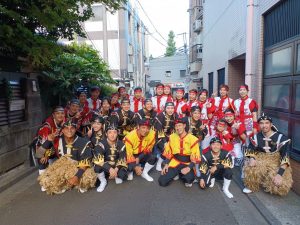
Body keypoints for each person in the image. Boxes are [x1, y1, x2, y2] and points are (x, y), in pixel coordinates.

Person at [38, 120, 95, 194]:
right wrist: (48, 141)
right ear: (63, 130)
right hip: (62, 166)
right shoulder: (57, 141)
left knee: (88, 178)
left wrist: (77, 176)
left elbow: (85, 162)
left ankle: (73, 183)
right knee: (46, 181)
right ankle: (65, 184)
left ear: (75, 129)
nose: (69, 130)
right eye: (66, 128)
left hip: (78, 167)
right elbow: (39, 154)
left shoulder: (83, 142)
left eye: (72, 128)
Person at [242, 113, 293, 196]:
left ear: (271, 124)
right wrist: (252, 158)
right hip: (261, 158)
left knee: (279, 186)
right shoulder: (256, 137)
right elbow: (250, 149)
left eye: (266, 123)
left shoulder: (282, 138)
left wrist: (279, 174)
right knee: (250, 168)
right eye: (261, 123)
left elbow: (285, 157)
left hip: (276, 160)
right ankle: (251, 185)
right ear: (259, 125)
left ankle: (267, 179)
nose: (264, 126)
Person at [158, 118, 200, 187]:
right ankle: (177, 173)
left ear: (184, 125)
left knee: (189, 180)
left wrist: (189, 167)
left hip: (187, 163)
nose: (178, 128)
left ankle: (181, 174)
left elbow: (195, 156)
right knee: (162, 182)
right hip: (175, 162)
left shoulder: (193, 139)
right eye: (176, 126)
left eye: (180, 125)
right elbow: (169, 152)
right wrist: (166, 164)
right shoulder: (172, 137)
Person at [35, 106, 65, 189]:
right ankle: (43, 182)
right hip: (42, 146)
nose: (60, 115)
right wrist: (45, 155)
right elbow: (43, 143)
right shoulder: (47, 126)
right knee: (42, 159)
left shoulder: (64, 122)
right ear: (53, 115)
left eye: (62, 113)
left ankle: (53, 172)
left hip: (55, 145)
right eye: (57, 113)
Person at [93, 125, 128, 192]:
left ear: (117, 133)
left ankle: (115, 175)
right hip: (105, 165)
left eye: (114, 132)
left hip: (116, 164)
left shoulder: (121, 144)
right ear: (106, 134)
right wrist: (110, 169)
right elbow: (98, 159)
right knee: (97, 167)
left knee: (123, 175)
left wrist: (116, 170)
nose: (112, 135)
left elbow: (122, 158)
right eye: (110, 132)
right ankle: (103, 181)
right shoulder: (101, 144)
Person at [154, 101, 178, 171]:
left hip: (168, 135)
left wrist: (173, 138)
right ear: (165, 109)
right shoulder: (160, 115)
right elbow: (159, 130)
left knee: (174, 147)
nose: (170, 110)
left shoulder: (175, 115)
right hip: (158, 136)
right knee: (166, 148)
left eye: (172, 108)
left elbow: (175, 127)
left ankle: (169, 163)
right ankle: (159, 163)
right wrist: (164, 142)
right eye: (168, 108)